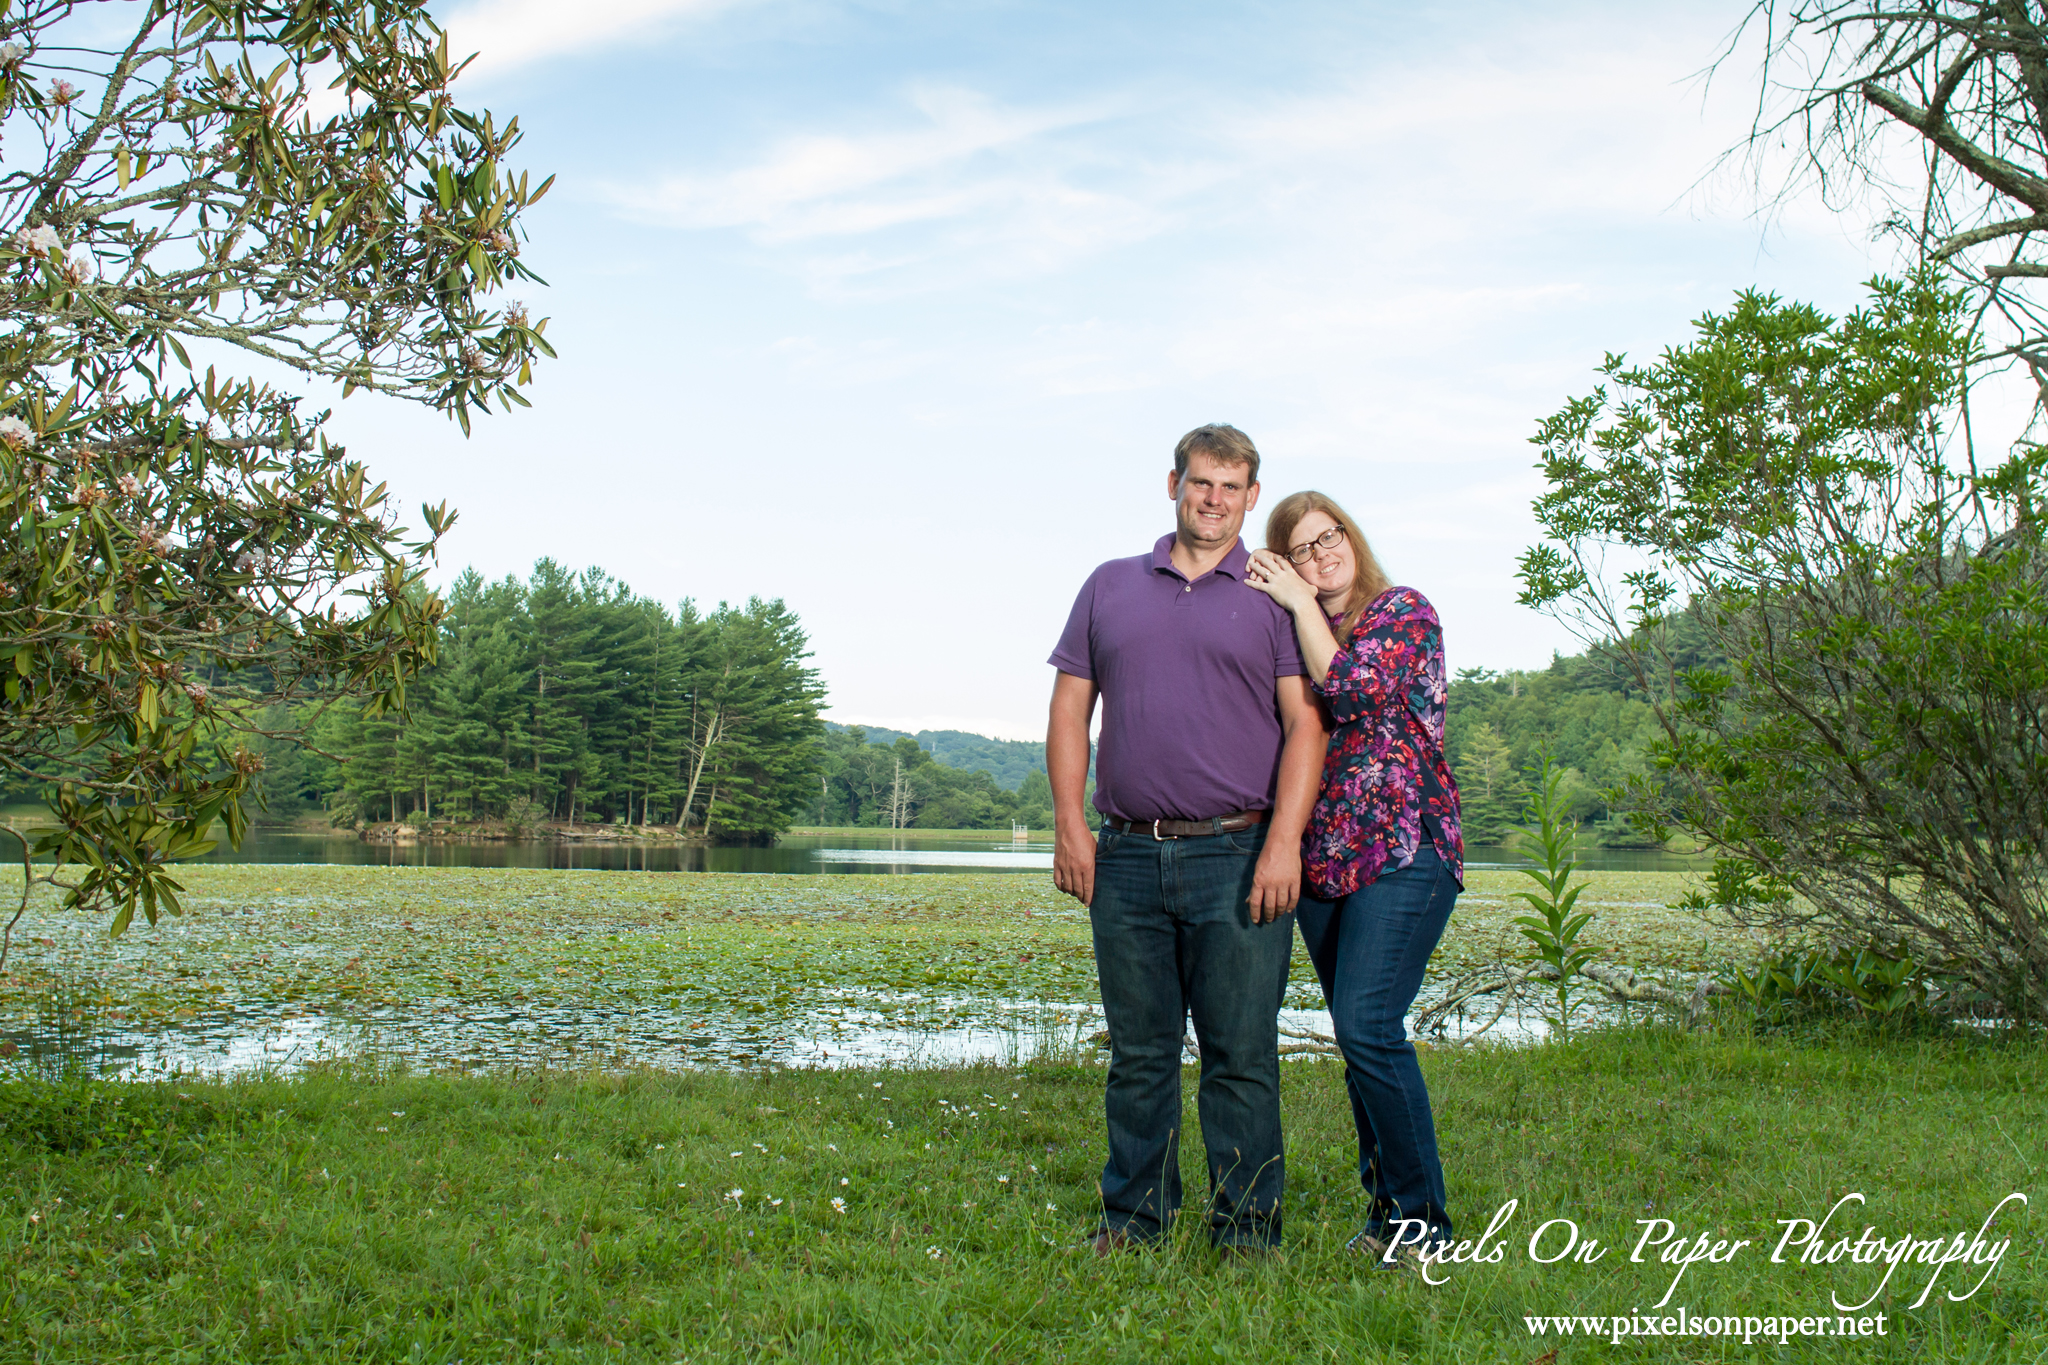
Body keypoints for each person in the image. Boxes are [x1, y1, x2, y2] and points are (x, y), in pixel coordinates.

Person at [1047, 424, 1327, 1256]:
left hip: (1238, 854)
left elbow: (1305, 725)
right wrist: (1071, 825)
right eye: (1202, 482)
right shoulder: (1109, 585)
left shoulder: (1275, 594)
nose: (1215, 499)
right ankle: (1134, 1219)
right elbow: (1070, 713)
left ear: (1251, 497)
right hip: (1127, 853)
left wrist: (1285, 842)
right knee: (1139, 1054)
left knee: (1241, 1054)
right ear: (1173, 483)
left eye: (1233, 487)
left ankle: (1246, 1230)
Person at [1242, 489, 1464, 1266]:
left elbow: (1354, 690)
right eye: (1299, 549)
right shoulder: (1291, 632)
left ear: (1352, 537)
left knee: (1369, 1025)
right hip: (1325, 863)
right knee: (1356, 1038)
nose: (1320, 554)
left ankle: (1423, 1227)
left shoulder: (1402, 610)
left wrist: (1299, 602)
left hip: (1405, 849)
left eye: (1329, 536)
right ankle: (1385, 1212)